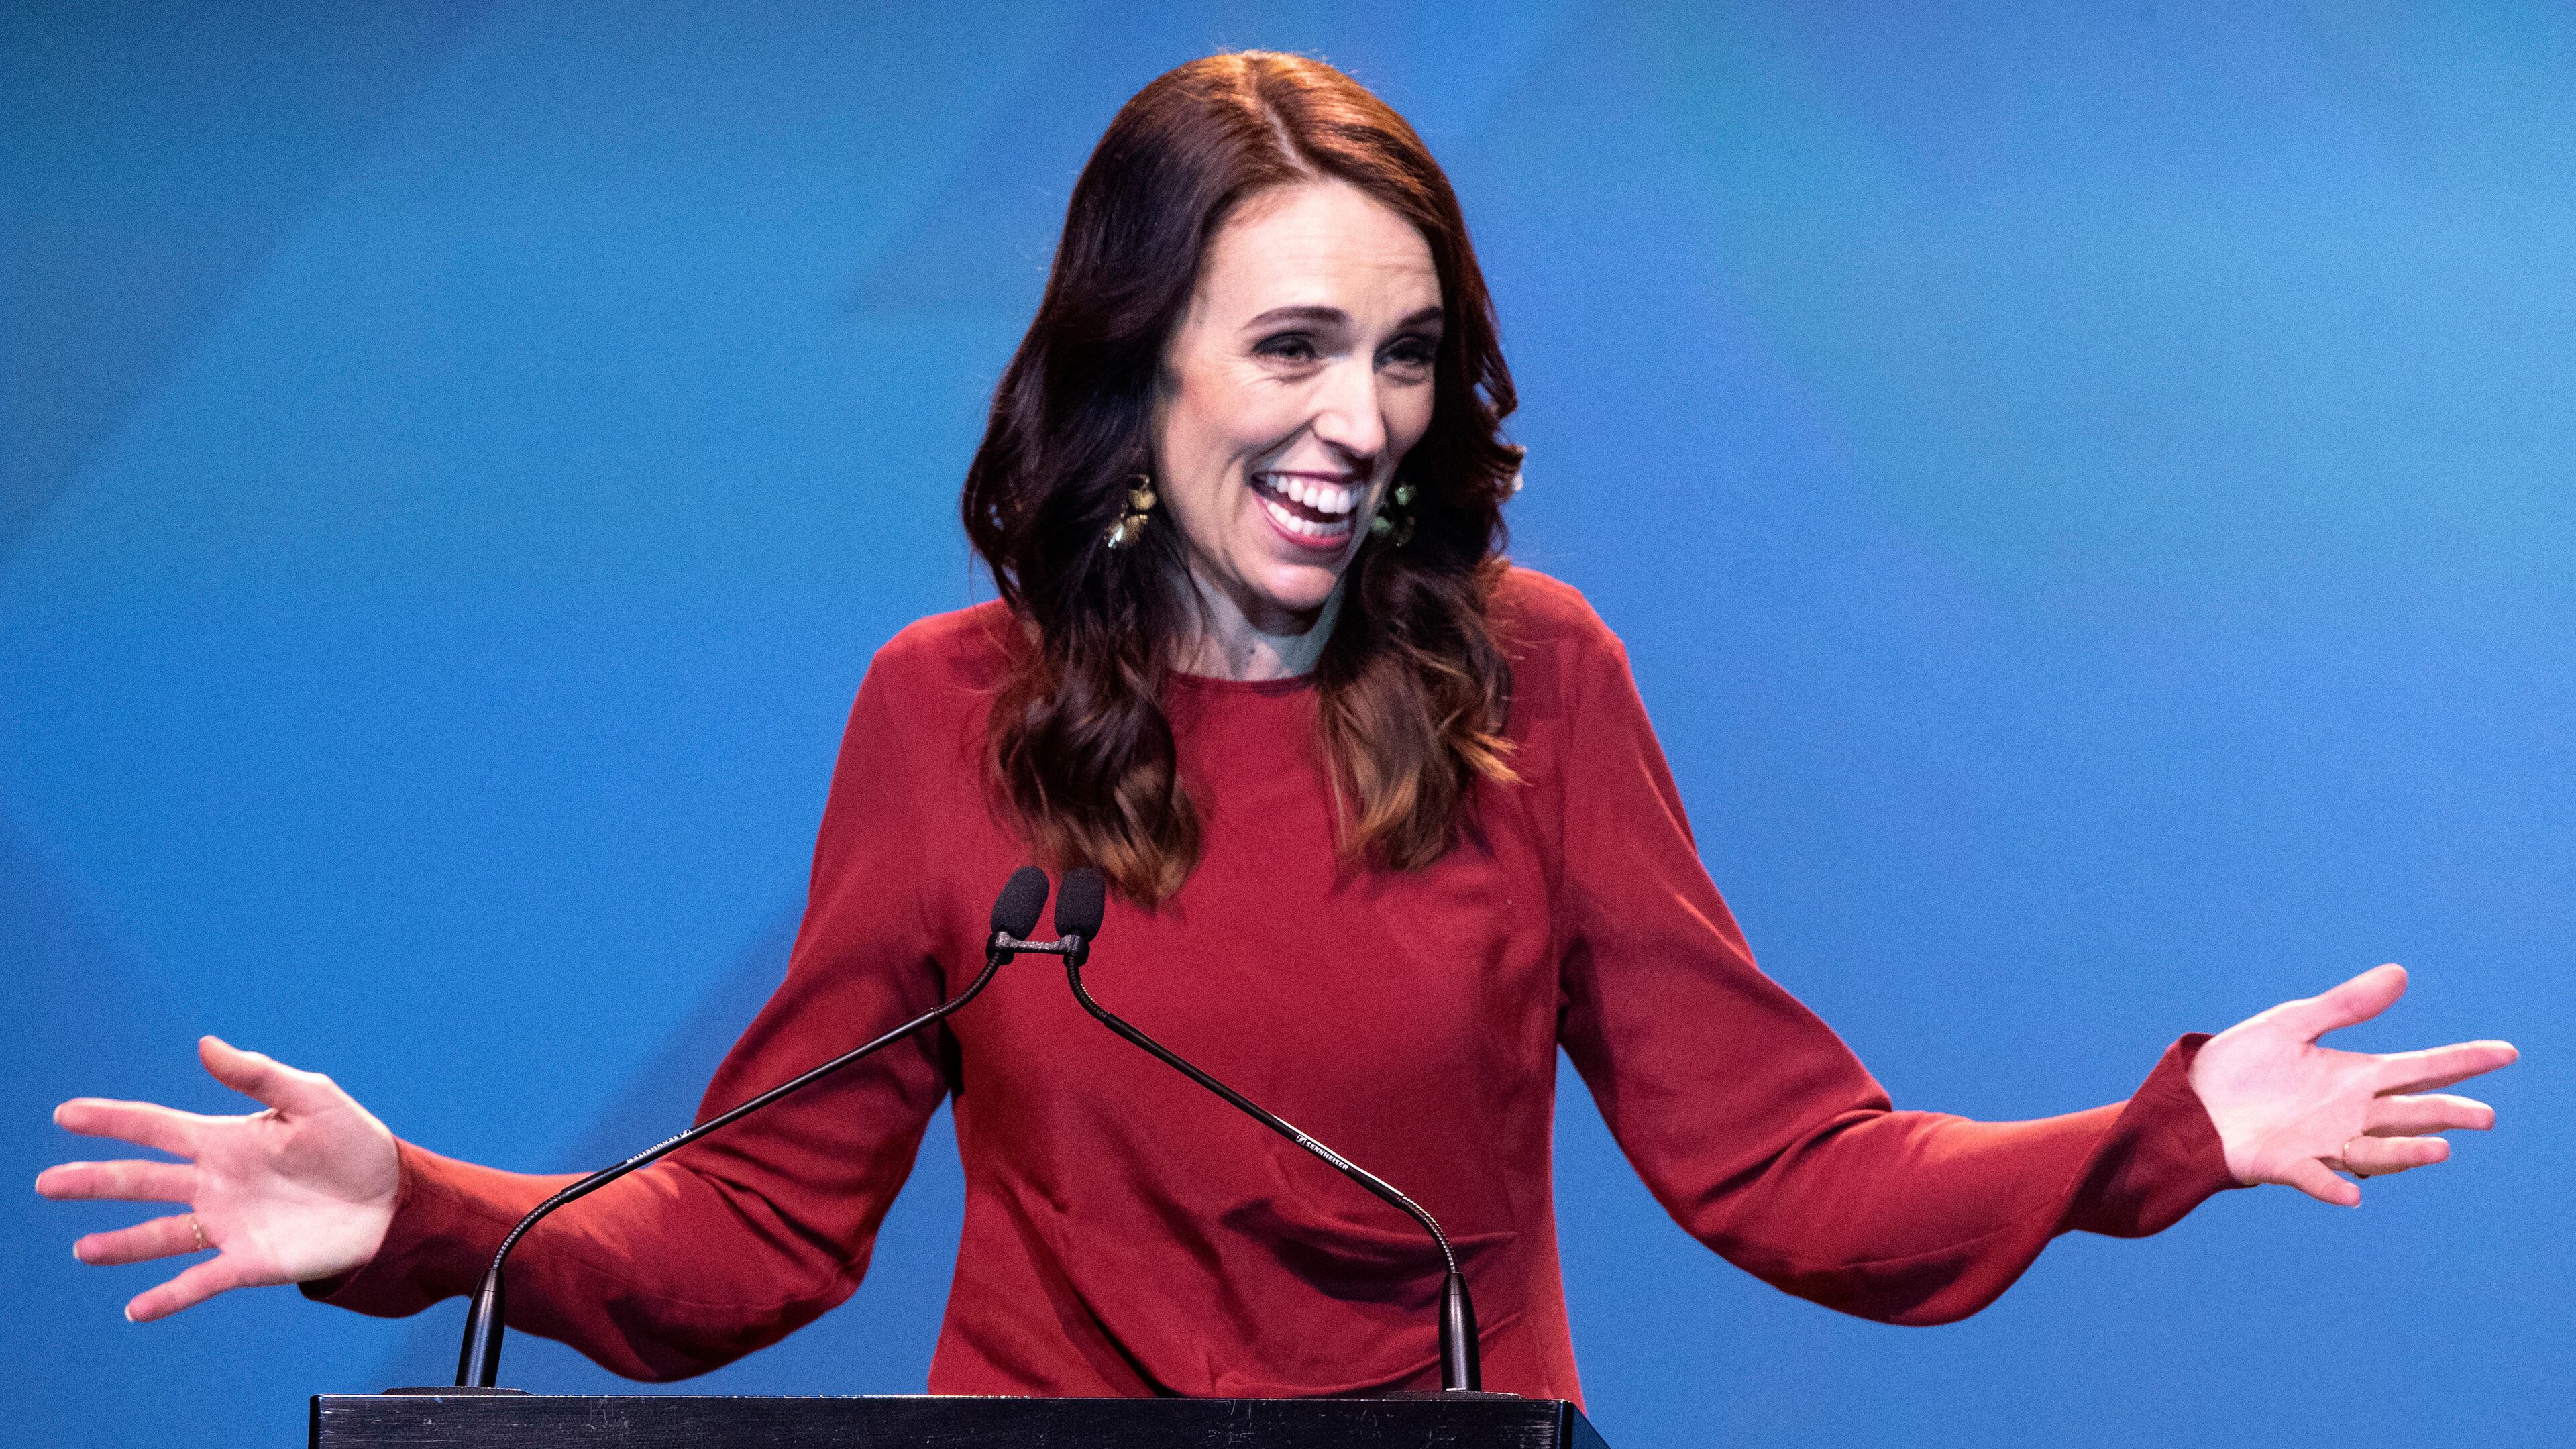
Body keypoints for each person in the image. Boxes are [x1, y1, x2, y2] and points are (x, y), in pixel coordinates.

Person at [39, 52, 2515, 1400]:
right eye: (1297, 345)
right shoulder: (947, 719)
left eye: (1411, 352)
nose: (1367, 418)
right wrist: (428, 1220)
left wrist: (2152, 1137)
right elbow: (766, 1233)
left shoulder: (1540, 681)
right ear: (1140, 373)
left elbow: (1786, 1169)